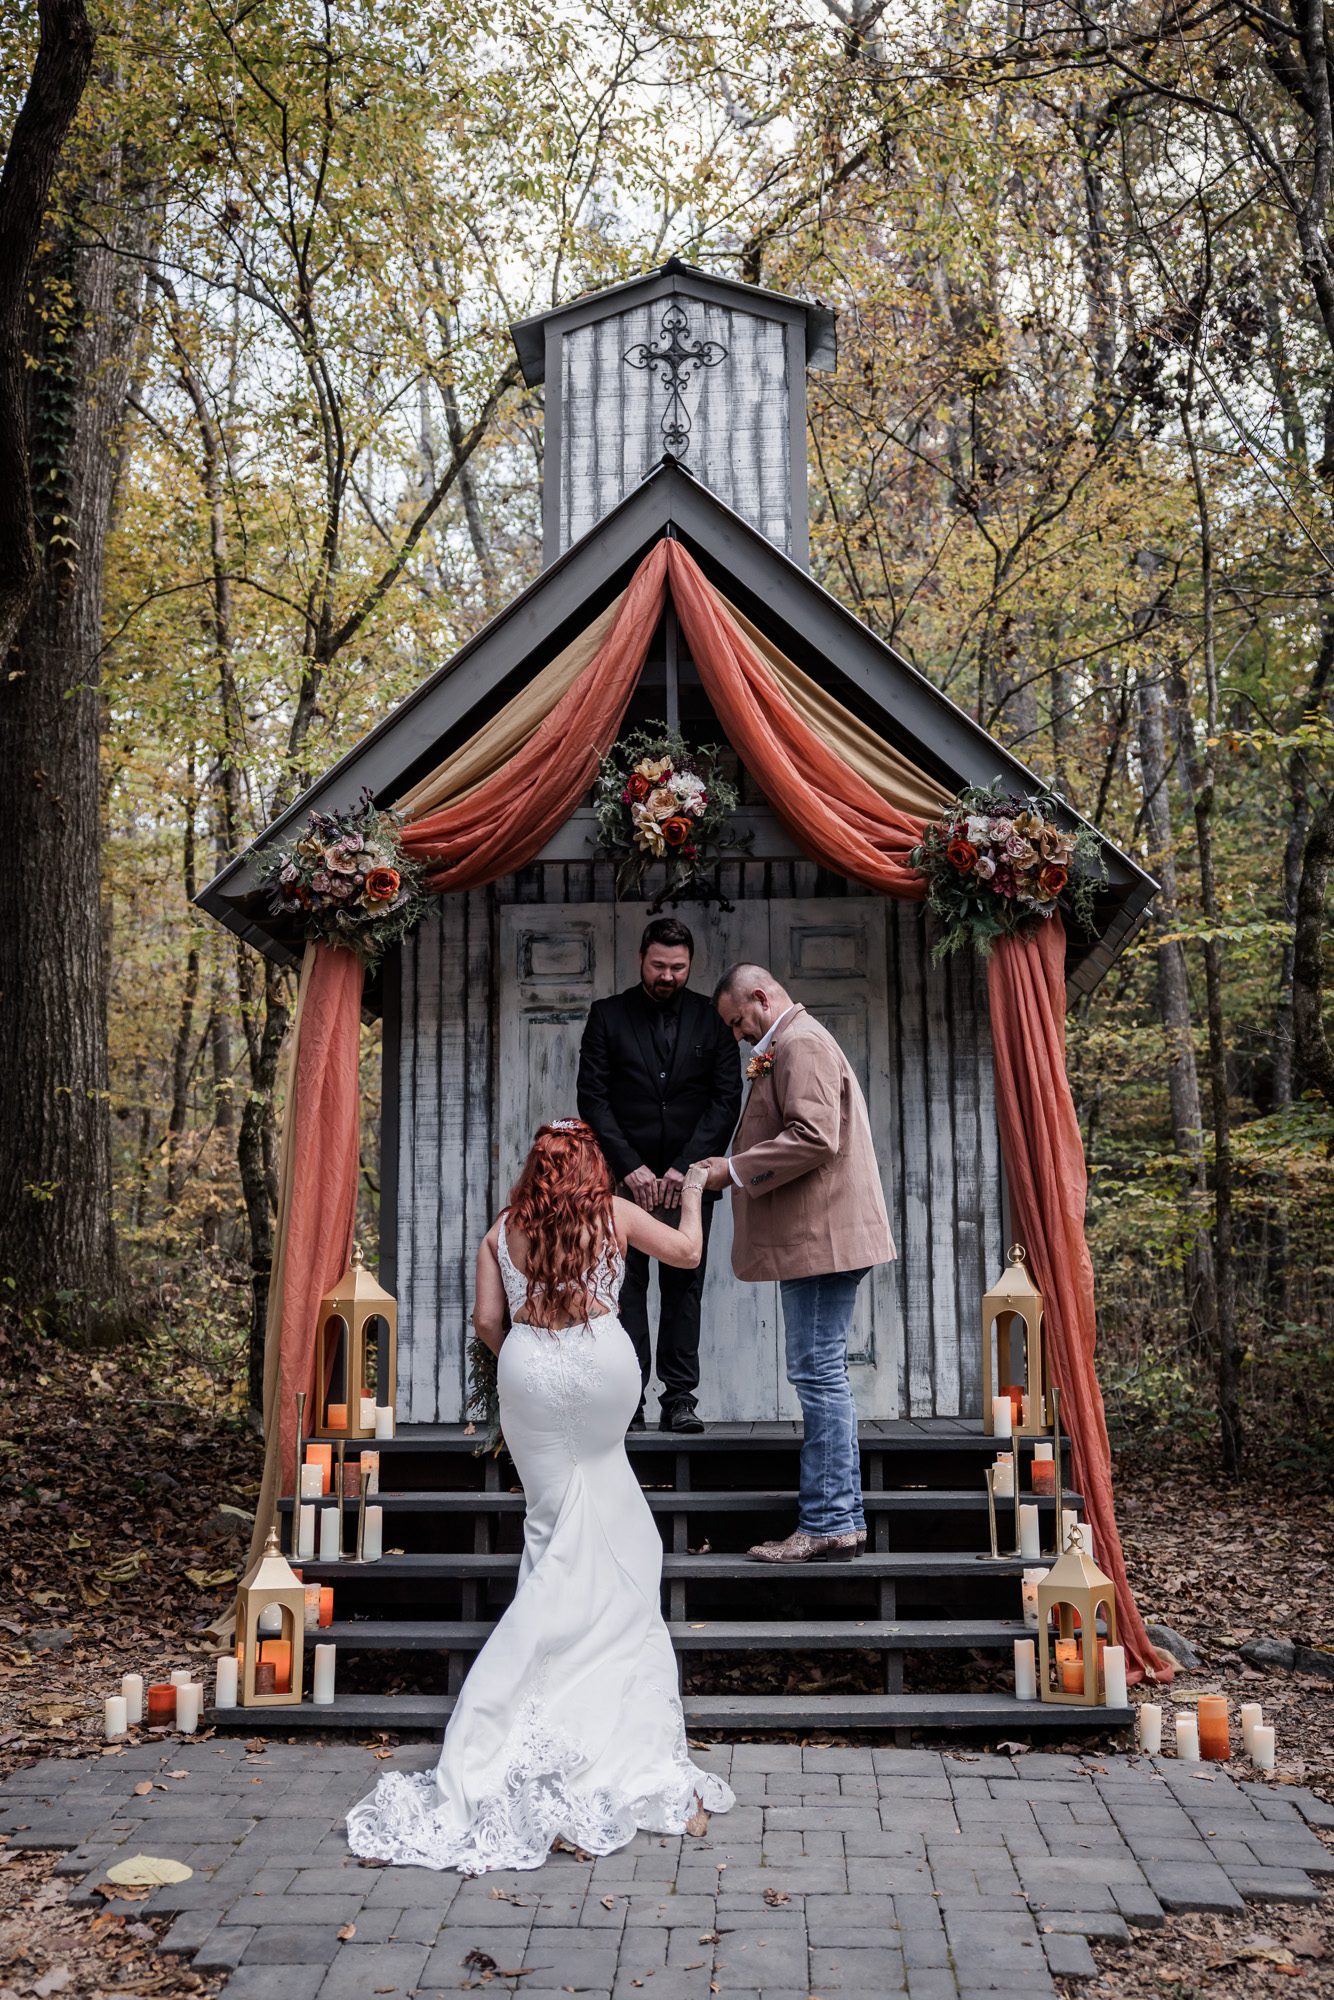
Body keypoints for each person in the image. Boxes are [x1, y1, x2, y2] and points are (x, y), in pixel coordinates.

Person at [345, 1119, 733, 1875]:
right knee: (623, 1533)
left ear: (534, 1168)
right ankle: (591, 1702)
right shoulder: (612, 1214)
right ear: (592, 1165)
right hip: (601, 1370)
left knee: (552, 1528)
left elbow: (488, 1323)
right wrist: (690, 1188)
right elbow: (687, 1253)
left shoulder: (503, 1228)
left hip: (530, 1375)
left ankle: (529, 1694)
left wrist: (526, 1363)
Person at [698, 965, 895, 1564]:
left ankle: (829, 1521)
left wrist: (731, 1170)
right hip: (821, 1238)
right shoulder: (794, 1040)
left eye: (737, 1021)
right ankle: (845, 1519)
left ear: (761, 997)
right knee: (822, 1373)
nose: (737, 1036)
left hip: (822, 1239)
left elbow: (813, 1136)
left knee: (818, 1375)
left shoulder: (800, 1043)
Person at [576, 916, 742, 1432]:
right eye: (658, 966)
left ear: (689, 965)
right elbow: (593, 1099)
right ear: (641, 959)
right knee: (624, 1289)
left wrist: (684, 1169)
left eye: (678, 967)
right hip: (624, 1182)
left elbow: (725, 1099)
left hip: (687, 1183)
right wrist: (633, 1168)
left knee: (684, 1287)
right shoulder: (606, 1016)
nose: (667, 976)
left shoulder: (712, 1020)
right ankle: (629, 1400)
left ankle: (679, 1399)